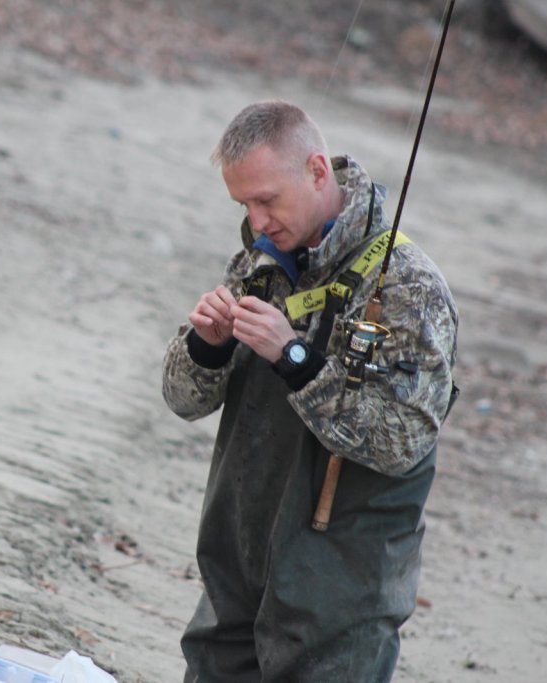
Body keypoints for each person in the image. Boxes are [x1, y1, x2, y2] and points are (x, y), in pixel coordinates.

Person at [161, 100, 458, 682]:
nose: (257, 219)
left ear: (318, 171)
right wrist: (208, 345)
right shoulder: (257, 260)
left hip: (341, 593)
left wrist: (294, 359)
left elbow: (405, 441)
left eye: (267, 199)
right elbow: (182, 399)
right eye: (243, 204)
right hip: (238, 569)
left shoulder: (409, 285)